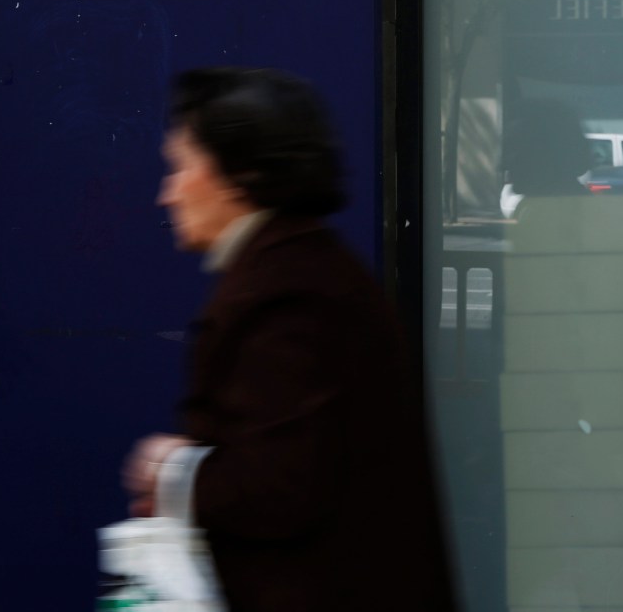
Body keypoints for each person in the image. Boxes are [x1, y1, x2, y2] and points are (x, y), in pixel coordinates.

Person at [122, 67, 456, 612]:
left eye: (181, 166)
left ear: (238, 175)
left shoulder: (285, 294)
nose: (168, 194)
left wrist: (171, 473)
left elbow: (279, 485)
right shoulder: (304, 270)